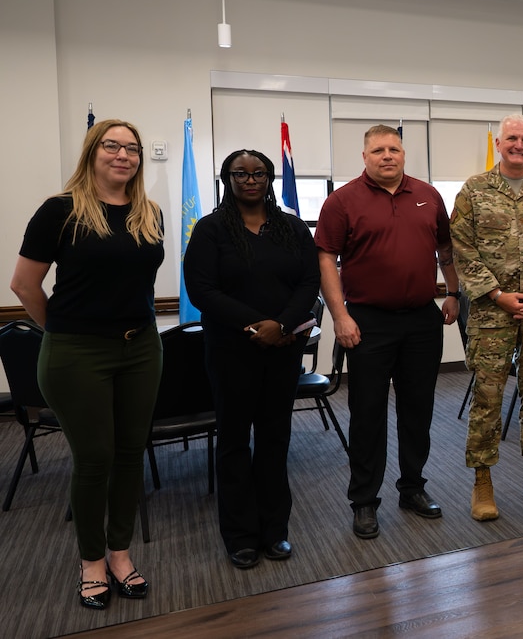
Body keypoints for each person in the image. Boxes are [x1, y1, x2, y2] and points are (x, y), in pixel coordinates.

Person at [11, 119, 164, 609]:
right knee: (94, 458)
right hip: (77, 352)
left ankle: (120, 553)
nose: (123, 155)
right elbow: (23, 285)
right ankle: (91, 561)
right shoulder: (60, 211)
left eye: (133, 149)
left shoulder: (149, 212)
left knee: (129, 452)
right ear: (92, 152)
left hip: (141, 347)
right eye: (112, 146)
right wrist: (63, 328)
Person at [315, 124, 459, 540]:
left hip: (420, 319)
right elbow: (326, 260)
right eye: (377, 150)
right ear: (364, 157)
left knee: (418, 410)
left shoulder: (428, 195)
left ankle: (412, 488)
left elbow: (444, 249)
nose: (387, 156)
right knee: (367, 414)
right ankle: (364, 501)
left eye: (393, 148)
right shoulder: (342, 201)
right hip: (367, 321)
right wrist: (339, 316)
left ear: (404, 154)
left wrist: (453, 291)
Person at [183, 149, 320, 569]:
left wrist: (280, 325)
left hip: (283, 350)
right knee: (234, 441)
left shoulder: (292, 227)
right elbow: (202, 290)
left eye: (258, 172)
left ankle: (274, 530)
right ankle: (240, 535)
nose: (249, 180)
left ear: (269, 177)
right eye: (239, 173)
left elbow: (309, 282)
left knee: (275, 440)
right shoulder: (210, 230)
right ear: (227, 178)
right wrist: (255, 325)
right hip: (231, 352)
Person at [450, 113, 523, 522]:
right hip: (491, 315)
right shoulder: (474, 191)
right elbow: (463, 250)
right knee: (489, 398)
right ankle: (483, 481)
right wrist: (499, 296)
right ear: (499, 143)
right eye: (512, 138)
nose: (519, 145)